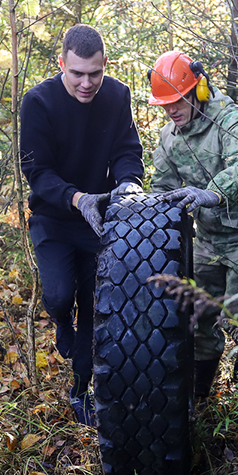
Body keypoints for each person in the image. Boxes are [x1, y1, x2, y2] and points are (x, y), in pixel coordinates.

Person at [20, 24, 144, 424]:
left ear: (105, 64)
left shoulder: (117, 96)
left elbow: (127, 149)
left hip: (100, 221)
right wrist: (77, 198)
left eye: (95, 73)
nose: (87, 83)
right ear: (62, 64)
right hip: (54, 218)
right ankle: (60, 322)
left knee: (94, 306)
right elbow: (38, 172)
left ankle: (80, 389)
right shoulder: (38, 102)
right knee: (59, 296)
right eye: (77, 73)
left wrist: (127, 184)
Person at [148, 50, 238, 398]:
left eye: (177, 100)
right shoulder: (168, 139)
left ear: (198, 91)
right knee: (200, 317)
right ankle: (201, 399)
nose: (172, 110)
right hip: (207, 239)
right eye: (165, 104)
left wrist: (213, 193)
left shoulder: (227, 119)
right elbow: (162, 189)